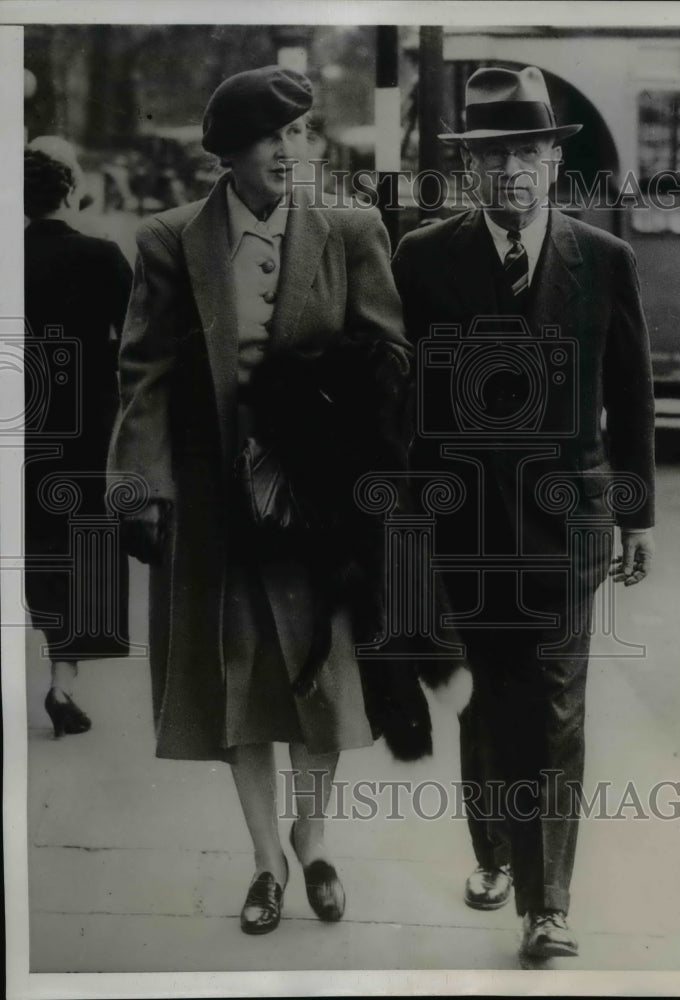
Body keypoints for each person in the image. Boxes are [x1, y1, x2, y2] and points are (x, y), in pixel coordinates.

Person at [107, 66, 411, 935]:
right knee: (241, 681)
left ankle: (314, 845)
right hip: (217, 507)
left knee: (321, 678)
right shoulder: (171, 238)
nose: (289, 151)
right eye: (271, 138)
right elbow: (145, 375)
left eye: (300, 134)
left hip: (321, 506)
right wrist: (138, 491)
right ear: (231, 152)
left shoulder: (352, 229)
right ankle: (264, 862)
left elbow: (392, 358)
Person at [392, 66, 656, 961]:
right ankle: (494, 850)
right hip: (460, 522)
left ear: (552, 159)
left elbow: (632, 392)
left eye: (525, 152)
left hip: (563, 521)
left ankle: (547, 906)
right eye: (491, 155)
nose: (510, 170)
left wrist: (635, 512)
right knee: (485, 704)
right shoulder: (422, 258)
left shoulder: (602, 259)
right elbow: (408, 404)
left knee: (552, 706)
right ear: (469, 168)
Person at [24, 139, 133, 737]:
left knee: (35, 544)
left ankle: (55, 662)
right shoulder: (100, 255)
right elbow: (141, 335)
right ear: (71, 188)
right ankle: (63, 680)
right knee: (86, 548)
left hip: (23, 428)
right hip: (89, 427)